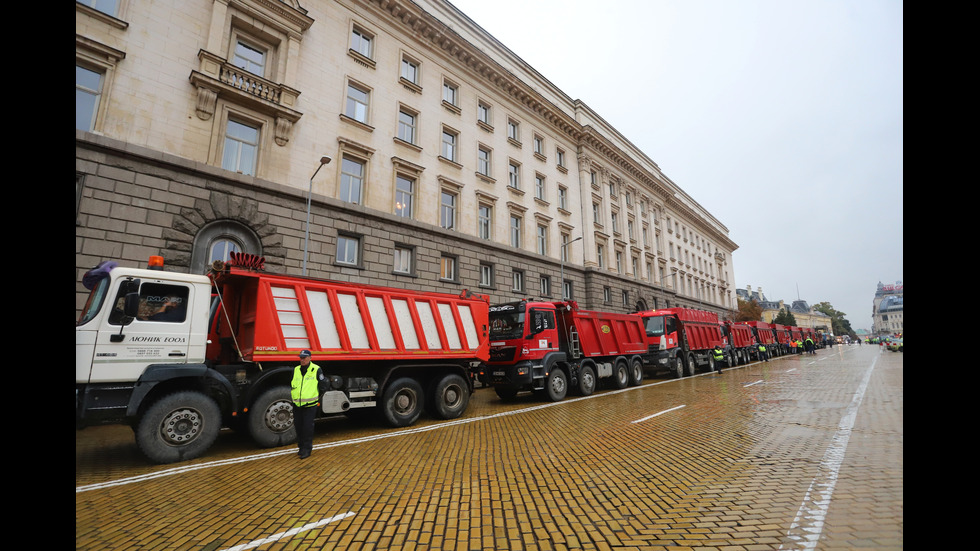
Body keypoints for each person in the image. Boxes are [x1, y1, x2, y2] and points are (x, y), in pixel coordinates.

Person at [291, 350, 327, 459]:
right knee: (299, 427)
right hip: (297, 405)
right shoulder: (296, 369)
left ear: (310, 358)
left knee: (307, 428)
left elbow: (323, 386)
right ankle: (301, 447)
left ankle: (307, 450)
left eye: (304, 357)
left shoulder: (316, 369)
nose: (302, 360)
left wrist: (316, 398)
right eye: (301, 358)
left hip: (310, 405)